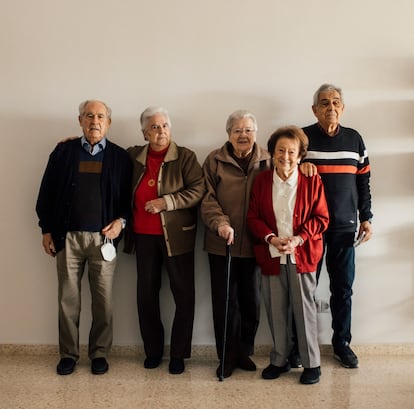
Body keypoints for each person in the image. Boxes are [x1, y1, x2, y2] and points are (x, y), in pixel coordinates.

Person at [36, 100, 132, 375]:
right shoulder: (64, 151)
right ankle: (68, 354)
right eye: (88, 116)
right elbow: (46, 193)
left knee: (103, 301)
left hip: (104, 241)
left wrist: (121, 222)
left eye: (100, 116)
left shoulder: (119, 157)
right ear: (80, 120)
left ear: (108, 122)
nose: (94, 121)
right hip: (67, 239)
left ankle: (99, 353)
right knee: (68, 299)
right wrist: (46, 229)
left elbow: (128, 198)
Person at [123, 107, 205, 375]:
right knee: (145, 296)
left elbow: (197, 190)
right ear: (144, 132)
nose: (161, 131)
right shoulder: (133, 156)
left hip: (177, 236)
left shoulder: (186, 157)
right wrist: (68, 142)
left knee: (184, 296)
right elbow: (107, 157)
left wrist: (166, 202)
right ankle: (153, 351)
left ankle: (179, 355)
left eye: (165, 126)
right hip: (144, 238)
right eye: (154, 127)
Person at [247, 125, 329, 385]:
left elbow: (321, 217)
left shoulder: (311, 180)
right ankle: (279, 359)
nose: (285, 156)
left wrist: (299, 238)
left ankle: (311, 364)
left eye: (291, 151)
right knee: (276, 310)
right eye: (280, 150)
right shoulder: (261, 181)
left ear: (301, 154)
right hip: (272, 254)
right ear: (272, 153)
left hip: (302, 255)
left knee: (305, 310)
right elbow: (253, 217)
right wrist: (271, 237)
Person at [302, 83, 373, 368]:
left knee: (342, 288)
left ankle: (341, 343)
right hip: (310, 228)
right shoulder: (303, 138)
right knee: (306, 290)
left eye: (335, 102)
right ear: (314, 109)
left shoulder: (355, 139)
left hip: (345, 226)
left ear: (342, 108)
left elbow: (363, 181)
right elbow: (285, 172)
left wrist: (366, 217)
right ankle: (300, 346)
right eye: (324, 103)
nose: (330, 107)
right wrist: (299, 167)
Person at [200, 109, 271, 379]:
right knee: (225, 303)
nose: (244, 135)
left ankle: (244, 351)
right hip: (222, 244)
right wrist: (220, 223)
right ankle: (226, 357)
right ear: (228, 133)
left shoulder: (267, 160)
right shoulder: (214, 160)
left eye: (248, 130)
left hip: (256, 244)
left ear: (256, 132)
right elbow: (207, 198)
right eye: (238, 130)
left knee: (251, 302)